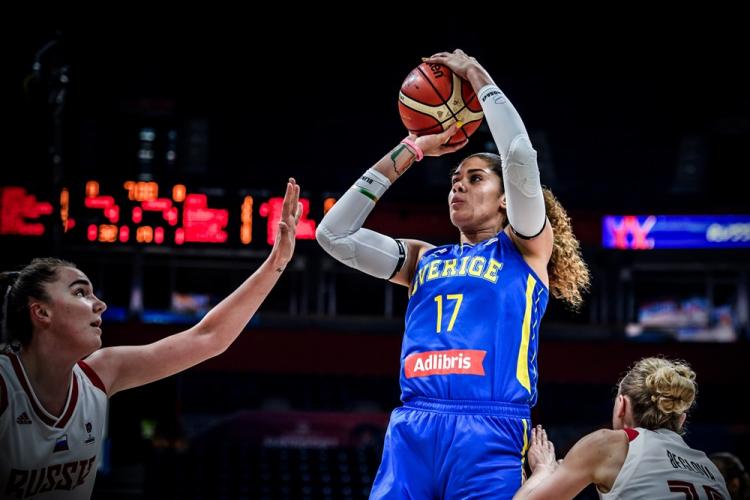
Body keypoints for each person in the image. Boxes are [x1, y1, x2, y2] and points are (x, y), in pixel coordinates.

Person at [316, 49, 590, 498]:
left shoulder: (525, 250)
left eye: (476, 178)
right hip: (414, 425)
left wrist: (475, 74)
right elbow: (333, 235)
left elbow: (518, 153)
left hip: (490, 428)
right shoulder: (424, 259)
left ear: (506, 199)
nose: (458, 184)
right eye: (454, 179)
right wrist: (413, 149)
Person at [0, 179, 302, 499]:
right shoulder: (6, 384)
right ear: (41, 312)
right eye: (80, 293)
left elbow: (209, 337)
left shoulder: (101, 373)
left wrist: (277, 263)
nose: (100, 304)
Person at [515, 357, 731, 499]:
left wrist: (544, 469)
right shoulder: (711, 469)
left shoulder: (610, 444)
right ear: (681, 420)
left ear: (622, 405)